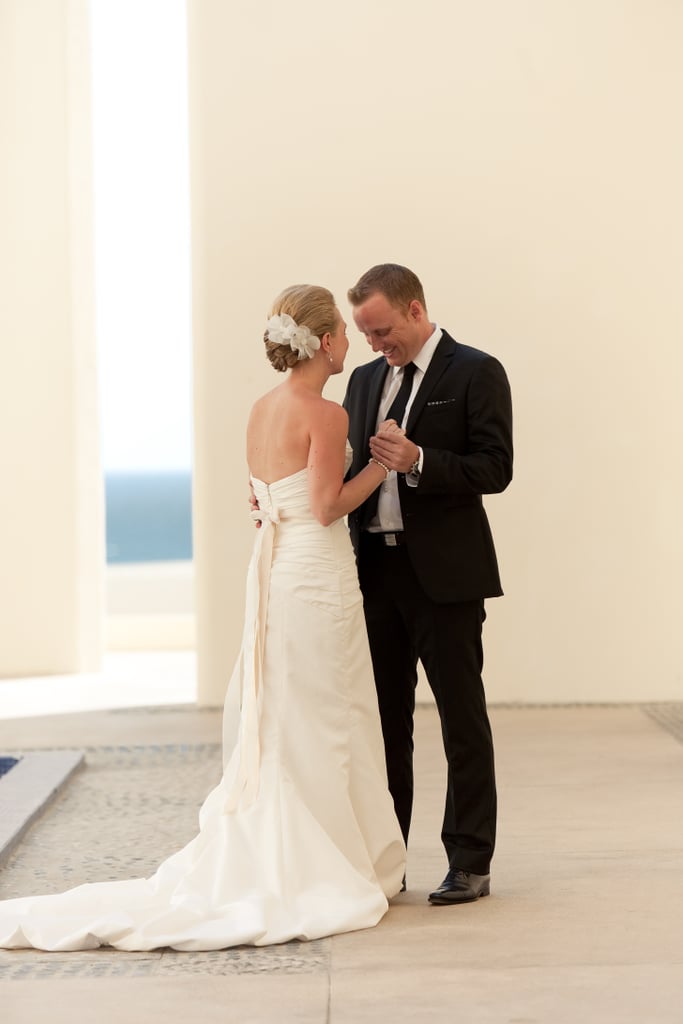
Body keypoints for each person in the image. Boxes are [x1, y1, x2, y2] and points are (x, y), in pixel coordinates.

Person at [0, 285, 406, 951]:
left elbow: (270, 497)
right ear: (326, 341)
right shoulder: (324, 416)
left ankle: (295, 846)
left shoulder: (260, 409)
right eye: (342, 331)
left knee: (286, 710)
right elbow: (329, 505)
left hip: (275, 572)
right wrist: (381, 467)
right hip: (314, 572)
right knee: (327, 713)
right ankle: (322, 859)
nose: (349, 344)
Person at [343, 264, 513, 906]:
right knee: (383, 724)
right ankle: (389, 862)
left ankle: (470, 859)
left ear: (415, 310)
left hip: (446, 577)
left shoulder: (475, 370)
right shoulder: (362, 381)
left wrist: (420, 461)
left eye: (383, 330)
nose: (375, 344)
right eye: (365, 333)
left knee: (460, 720)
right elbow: (349, 465)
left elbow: (496, 467)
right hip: (375, 574)